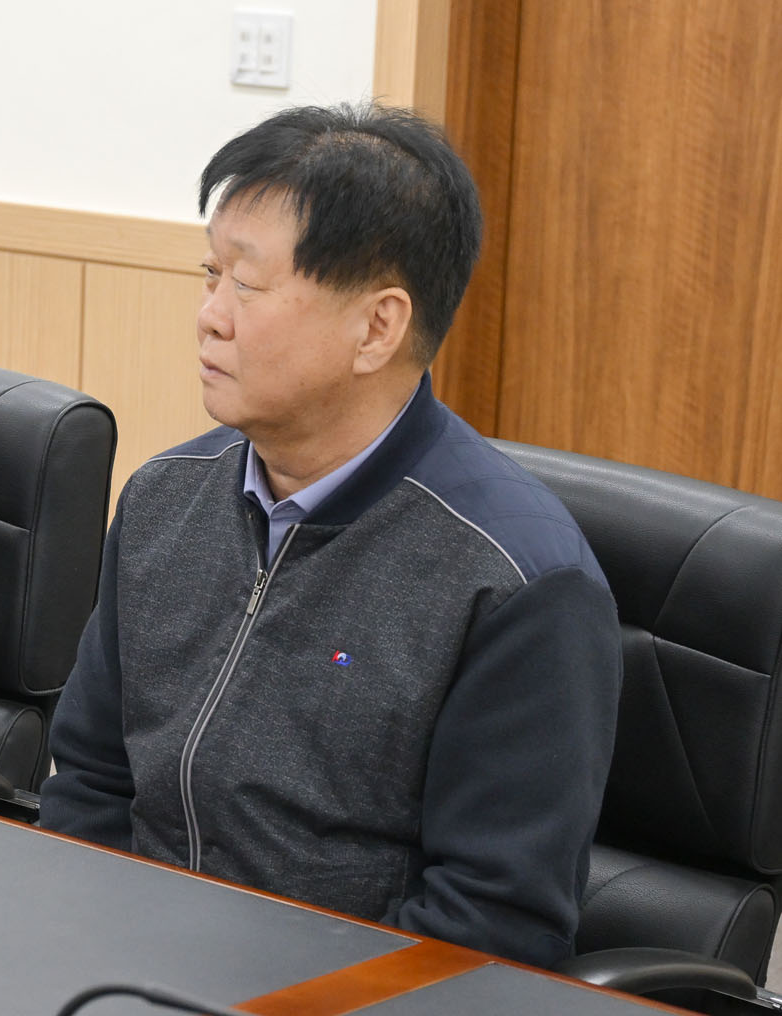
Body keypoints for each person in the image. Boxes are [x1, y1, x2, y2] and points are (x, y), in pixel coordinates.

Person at [39, 103, 620, 967]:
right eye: (210, 275)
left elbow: (491, 929)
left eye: (247, 285)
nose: (210, 316)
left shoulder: (514, 583)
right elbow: (90, 781)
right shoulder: (167, 496)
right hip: (126, 971)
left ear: (377, 327)